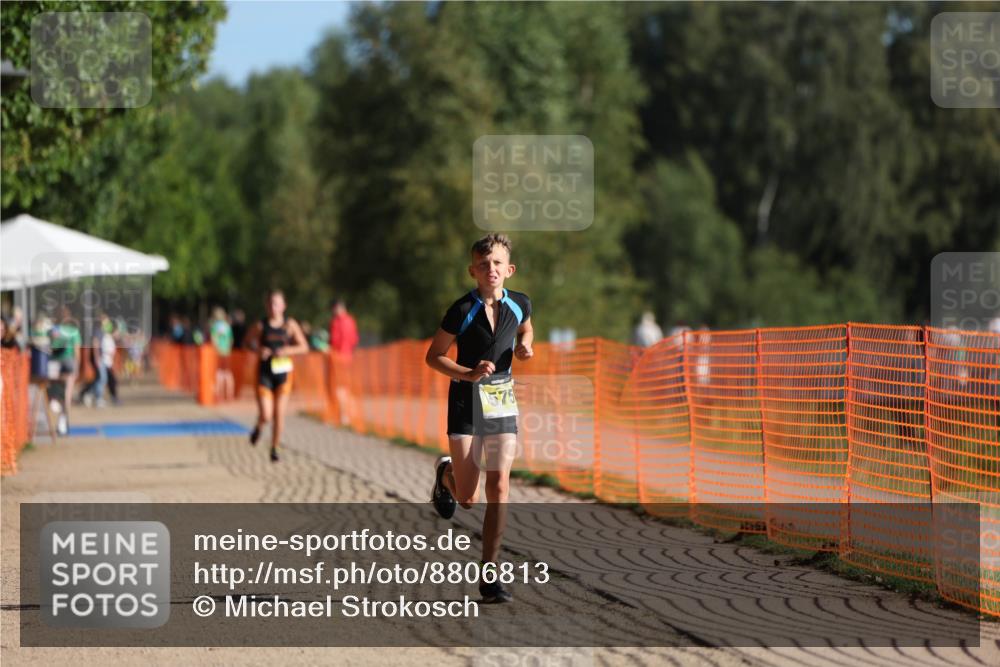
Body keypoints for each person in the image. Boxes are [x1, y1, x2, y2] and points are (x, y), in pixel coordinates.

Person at [425, 233, 533, 604]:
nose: (491, 270)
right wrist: (468, 372)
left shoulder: (520, 304)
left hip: (501, 399)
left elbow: (526, 325)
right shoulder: (461, 310)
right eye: (484, 264)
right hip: (465, 400)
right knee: (468, 497)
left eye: (498, 264)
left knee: (499, 485)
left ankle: (490, 575)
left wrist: (526, 344)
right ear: (473, 270)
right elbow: (434, 356)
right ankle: (446, 474)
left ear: (509, 270)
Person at [245, 290, 309, 462]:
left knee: (279, 414)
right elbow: (247, 342)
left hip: (283, 374)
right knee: (266, 414)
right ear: (266, 306)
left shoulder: (290, 325)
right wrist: (259, 350)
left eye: (277, 304)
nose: (274, 308)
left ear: (284, 306)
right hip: (264, 373)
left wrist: (287, 350)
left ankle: (275, 447)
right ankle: (258, 427)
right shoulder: (260, 325)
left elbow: (304, 346)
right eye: (271, 303)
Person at [49, 307, 82, 432]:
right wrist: (77, 367)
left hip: (54, 362)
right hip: (68, 362)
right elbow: (76, 351)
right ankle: (63, 422)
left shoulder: (53, 330)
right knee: (67, 394)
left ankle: (54, 403)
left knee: (52, 388)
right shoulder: (74, 331)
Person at [329, 298, 360, 426]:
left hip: (337, 358)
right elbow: (355, 339)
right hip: (349, 357)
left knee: (338, 388)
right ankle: (350, 414)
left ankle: (343, 416)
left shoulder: (336, 322)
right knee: (346, 387)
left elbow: (334, 340)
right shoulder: (351, 320)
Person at [210, 307, 235, 401]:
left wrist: (216, 349)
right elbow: (231, 340)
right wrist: (227, 348)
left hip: (218, 353)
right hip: (227, 352)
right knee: (228, 374)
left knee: (219, 374)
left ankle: (219, 394)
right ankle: (229, 394)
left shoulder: (215, 326)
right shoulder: (227, 326)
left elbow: (214, 340)